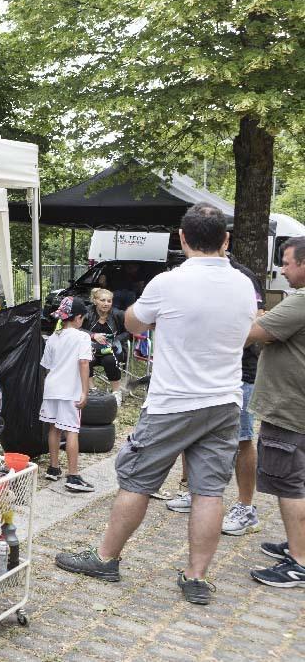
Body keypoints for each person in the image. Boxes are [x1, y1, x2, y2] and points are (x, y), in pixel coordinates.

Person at [55, 203, 257, 605]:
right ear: (226, 240)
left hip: (172, 402)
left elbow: (132, 324)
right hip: (224, 402)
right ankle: (196, 578)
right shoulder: (243, 285)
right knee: (209, 491)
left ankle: (105, 558)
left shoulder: (167, 283)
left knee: (137, 480)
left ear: (182, 239)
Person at [161, 255, 266, 528]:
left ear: (223, 243)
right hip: (196, 375)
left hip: (238, 374)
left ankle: (246, 507)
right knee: (193, 435)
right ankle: (194, 492)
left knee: (242, 439)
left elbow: (257, 322)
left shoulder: (242, 278)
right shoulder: (189, 276)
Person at [244, 235, 305, 588]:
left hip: (288, 408)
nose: (282, 269)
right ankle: (298, 545)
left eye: (287, 262)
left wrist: (262, 320)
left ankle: (298, 561)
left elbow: (253, 332)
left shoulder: (298, 304)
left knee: (289, 485)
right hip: (297, 408)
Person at [40, 296, 95, 492]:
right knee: (72, 430)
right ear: (78, 317)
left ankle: (53, 468)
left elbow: (46, 367)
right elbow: (83, 363)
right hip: (70, 391)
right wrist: (84, 391)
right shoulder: (82, 337)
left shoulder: (53, 337)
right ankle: (73, 476)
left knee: (54, 428)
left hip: (51, 388)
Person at [82, 287, 130, 401]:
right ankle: (92, 389)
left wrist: (116, 340)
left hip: (112, 349)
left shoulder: (118, 314)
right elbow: (76, 328)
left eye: (109, 301)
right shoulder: (86, 312)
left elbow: (128, 331)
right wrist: (93, 335)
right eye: (102, 300)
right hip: (90, 349)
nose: (106, 303)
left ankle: (116, 392)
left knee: (109, 360)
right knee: (85, 359)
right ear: (95, 301)